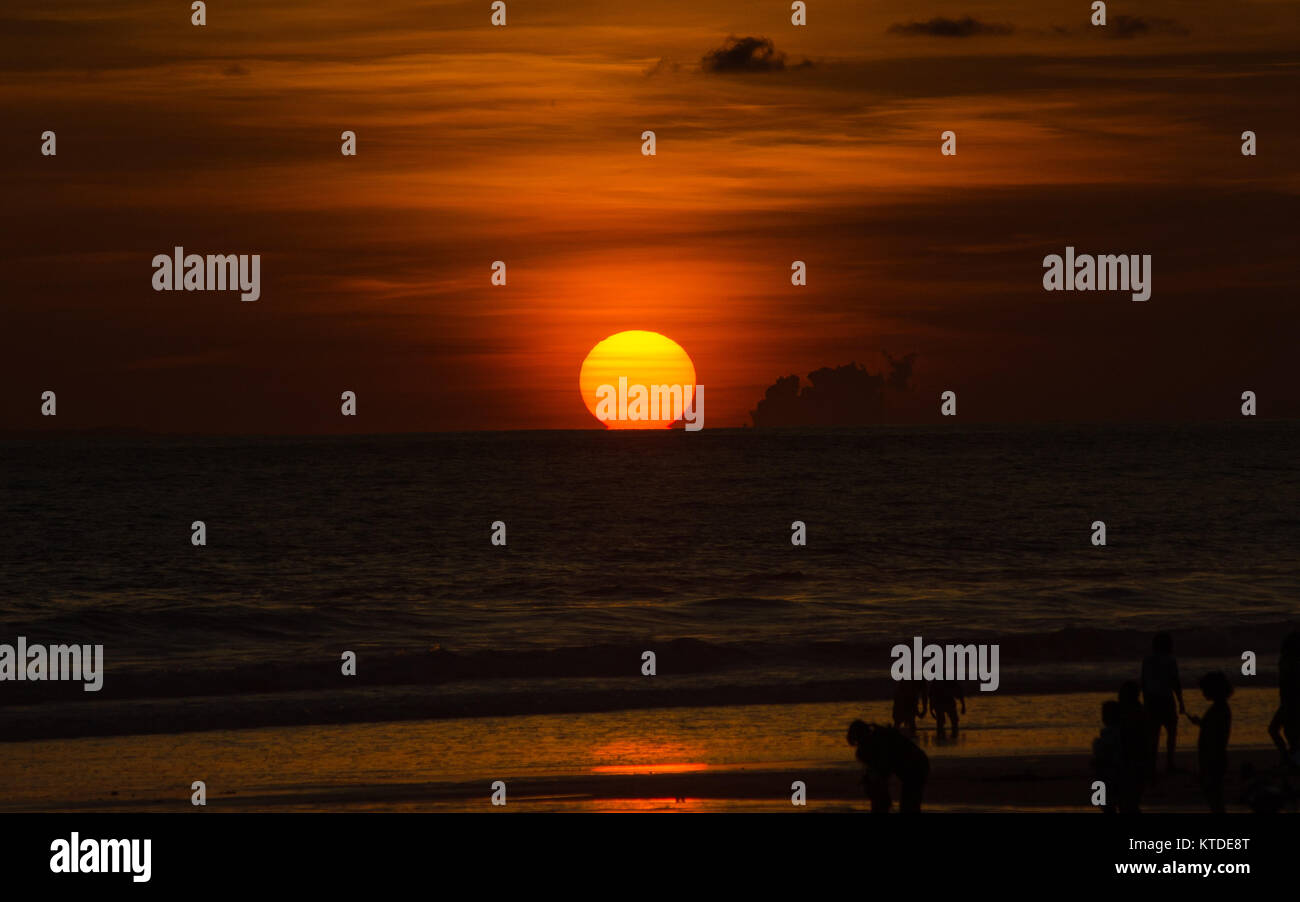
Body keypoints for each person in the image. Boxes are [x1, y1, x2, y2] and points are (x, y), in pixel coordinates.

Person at [846, 719, 930, 813]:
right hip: (917, 764)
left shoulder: (878, 742)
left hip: (916, 767)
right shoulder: (878, 737)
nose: (858, 744)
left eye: (858, 741)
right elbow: (882, 771)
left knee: (909, 805)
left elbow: (882, 770)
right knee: (909, 803)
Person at [1185, 671, 1232, 813]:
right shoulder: (1220, 708)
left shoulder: (1219, 709)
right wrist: (1201, 722)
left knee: (1214, 795)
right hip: (1214, 756)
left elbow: (1215, 734)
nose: (1203, 692)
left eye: (1205, 689)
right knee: (1214, 794)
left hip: (1213, 757)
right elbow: (1212, 728)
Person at [1141, 632, 1185, 777]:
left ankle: (1151, 766)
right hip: (1166, 699)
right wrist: (1181, 702)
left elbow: (1143, 682)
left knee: (1153, 735)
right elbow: (1175, 682)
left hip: (1152, 700)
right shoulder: (1170, 660)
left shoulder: (1147, 660)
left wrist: (1145, 701)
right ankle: (1169, 763)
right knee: (1171, 732)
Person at [1267, 630, 1300, 769]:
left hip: (1291, 702)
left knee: (1283, 730)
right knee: (1282, 730)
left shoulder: (1290, 662)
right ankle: (1289, 758)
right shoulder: (1288, 661)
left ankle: (1289, 758)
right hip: (1289, 702)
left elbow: (1289, 685)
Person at [1116, 681, 1147, 812]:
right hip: (1137, 760)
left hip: (1129, 760)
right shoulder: (1139, 711)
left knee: (1128, 800)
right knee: (1131, 800)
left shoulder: (1129, 713)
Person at [1091, 700, 1124, 814]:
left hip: (1109, 776)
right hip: (1115, 777)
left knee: (1107, 806)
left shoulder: (1110, 735)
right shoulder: (1121, 734)